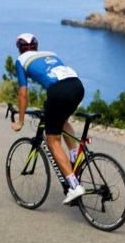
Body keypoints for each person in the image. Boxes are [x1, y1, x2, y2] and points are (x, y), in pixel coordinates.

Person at [9, 33, 87, 204]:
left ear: (19, 48)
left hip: (59, 91)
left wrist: (20, 121)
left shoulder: (21, 60)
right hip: (77, 86)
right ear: (36, 46)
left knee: (52, 141)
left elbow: (23, 93)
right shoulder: (51, 54)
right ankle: (74, 158)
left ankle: (74, 186)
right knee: (62, 120)